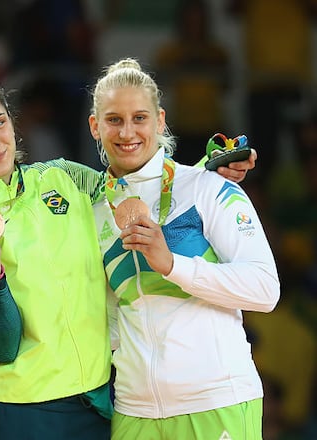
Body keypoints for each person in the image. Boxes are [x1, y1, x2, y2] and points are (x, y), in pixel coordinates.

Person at [0, 72, 256, 440]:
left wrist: (205, 176)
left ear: (12, 123)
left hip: (91, 408)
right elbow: (2, 345)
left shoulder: (65, 178)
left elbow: (136, 190)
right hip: (9, 414)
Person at [88, 58, 279, 439]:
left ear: (160, 121)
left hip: (216, 402)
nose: (127, 132)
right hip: (134, 410)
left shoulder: (208, 188)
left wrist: (173, 264)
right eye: (114, 120)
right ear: (95, 126)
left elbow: (265, 289)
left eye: (139, 118)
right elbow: (109, 314)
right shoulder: (92, 212)